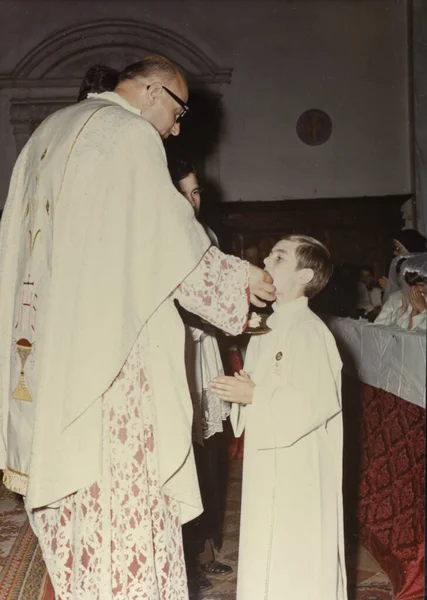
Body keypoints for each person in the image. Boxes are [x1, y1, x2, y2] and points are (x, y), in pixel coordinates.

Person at [0, 55, 275, 599]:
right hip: (111, 360)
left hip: (53, 353)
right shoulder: (128, 135)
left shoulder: (48, 133)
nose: (176, 128)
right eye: (178, 113)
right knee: (122, 507)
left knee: (77, 507)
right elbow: (169, 244)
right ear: (153, 91)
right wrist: (242, 283)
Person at [211, 235, 347, 600]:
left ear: (304, 276)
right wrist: (245, 389)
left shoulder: (310, 331)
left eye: (279, 257)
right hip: (268, 460)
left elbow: (316, 402)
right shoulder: (267, 328)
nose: (266, 260)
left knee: (295, 559)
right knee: (267, 552)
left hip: (298, 467)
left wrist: (254, 394)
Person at [170, 160, 232, 591]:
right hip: (174, 353)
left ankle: (205, 548)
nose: (192, 201)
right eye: (183, 193)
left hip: (203, 353)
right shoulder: (160, 236)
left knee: (209, 452)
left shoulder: (207, 238)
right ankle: (180, 555)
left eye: (196, 193)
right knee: (177, 454)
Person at [379, 229, 427, 300]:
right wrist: (390, 287)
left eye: (398, 248)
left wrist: (391, 288)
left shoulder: (420, 271)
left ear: (410, 248)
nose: (395, 253)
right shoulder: (399, 267)